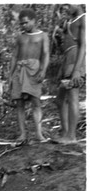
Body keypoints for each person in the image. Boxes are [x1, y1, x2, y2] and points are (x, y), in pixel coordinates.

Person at [9, 8, 50, 144]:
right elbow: (14, 56)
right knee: (19, 103)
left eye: (25, 23)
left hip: (34, 70)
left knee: (36, 102)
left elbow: (45, 54)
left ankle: (38, 134)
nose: (23, 26)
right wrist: (11, 74)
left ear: (33, 21)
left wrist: (43, 71)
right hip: (20, 71)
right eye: (21, 24)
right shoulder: (20, 37)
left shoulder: (43, 36)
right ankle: (22, 134)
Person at [54, 4, 85, 145]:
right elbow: (66, 45)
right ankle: (66, 132)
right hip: (68, 61)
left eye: (69, 3)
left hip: (75, 62)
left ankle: (71, 136)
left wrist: (77, 70)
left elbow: (83, 45)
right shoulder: (71, 21)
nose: (66, 7)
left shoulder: (83, 19)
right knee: (60, 100)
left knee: (72, 97)